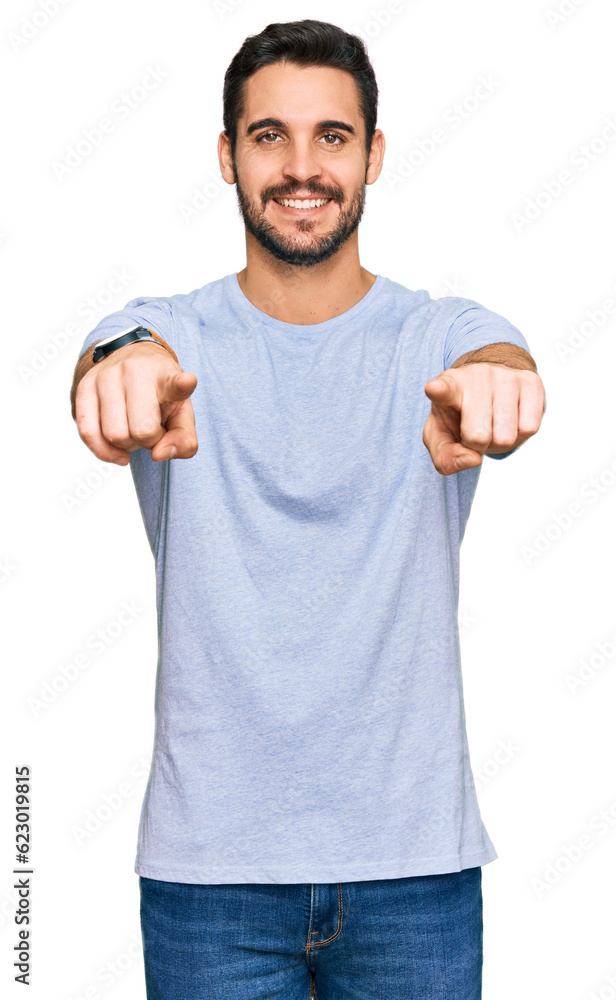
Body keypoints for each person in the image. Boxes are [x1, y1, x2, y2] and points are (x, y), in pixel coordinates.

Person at [70, 19, 545, 1000]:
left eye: (331, 136)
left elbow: (498, 360)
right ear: (226, 156)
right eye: (268, 135)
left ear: (372, 153)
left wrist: (500, 386)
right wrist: (123, 371)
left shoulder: (437, 334)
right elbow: (117, 353)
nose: (300, 166)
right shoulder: (174, 334)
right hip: (211, 883)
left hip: (414, 874)